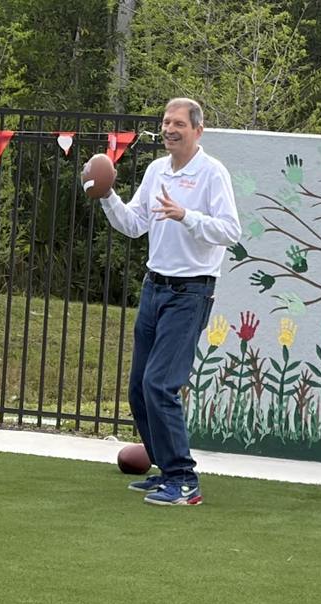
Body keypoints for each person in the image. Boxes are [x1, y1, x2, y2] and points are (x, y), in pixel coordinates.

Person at [93, 98, 240, 505]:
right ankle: (164, 470)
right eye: (165, 122)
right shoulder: (156, 170)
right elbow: (134, 224)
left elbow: (230, 231)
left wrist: (186, 216)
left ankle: (184, 480)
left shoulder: (212, 173)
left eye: (178, 123)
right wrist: (106, 195)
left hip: (190, 291)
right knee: (140, 387)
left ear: (197, 130)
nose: (169, 129)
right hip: (154, 287)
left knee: (161, 384)